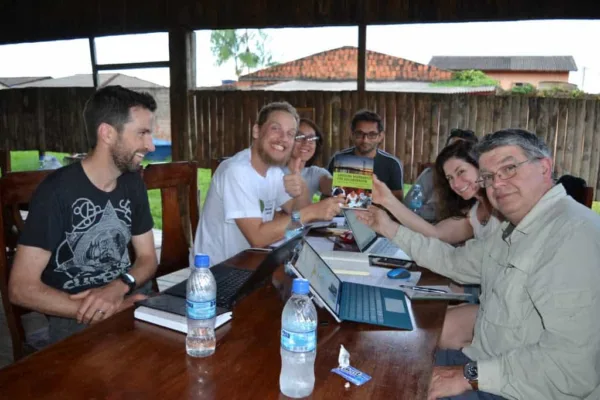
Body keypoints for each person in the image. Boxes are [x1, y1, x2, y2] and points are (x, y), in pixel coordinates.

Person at [357, 128, 600, 400]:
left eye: (509, 169)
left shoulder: (572, 235)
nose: (497, 184)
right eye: (488, 177)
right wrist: (387, 226)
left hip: (520, 388)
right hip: (485, 364)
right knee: (382, 363)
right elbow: (453, 260)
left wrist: (467, 376)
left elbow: (573, 367)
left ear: (544, 167)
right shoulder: (512, 228)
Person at [8, 85, 159, 344]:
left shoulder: (132, 183)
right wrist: (102, 307)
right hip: (77, 318)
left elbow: (147, 258)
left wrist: (119, 286)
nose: (152, 146)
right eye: (142, 133)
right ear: (107, 133)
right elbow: (20, 288)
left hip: (131, 298)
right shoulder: (55, 193)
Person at [372, 140, 500, 349]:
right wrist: (387, 202)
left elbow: (452, 259)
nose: (456, 184)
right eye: (450, 178)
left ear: (480, 166)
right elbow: (435, 233)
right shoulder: (476, 211)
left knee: (435, 328)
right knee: (430, 320)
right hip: (488, 295)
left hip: (505, 306)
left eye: (461, 172)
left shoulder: (503, 208)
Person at [194, 102, 341, 265]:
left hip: (253, 264)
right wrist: (313, 211)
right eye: (275, 128)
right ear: (256, 131)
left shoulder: (273, 172)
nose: (283, 138)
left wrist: (301, 187)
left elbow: (297, 213)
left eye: (291, 134)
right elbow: (258, 238)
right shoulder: (236, 170)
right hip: (218, 275)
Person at [327, 109, 404, 200]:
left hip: (378, 213)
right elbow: (326, 194)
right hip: (342, 212)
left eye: (372, 135)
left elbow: (398, 199)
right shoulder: (338, 159)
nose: (365, 140)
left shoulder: (392, 163)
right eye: (359, 134)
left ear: (380, 136)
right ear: (352, 135)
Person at [403, 128, 478, 222]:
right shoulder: (430, 175)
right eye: (450, 148)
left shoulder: (484, 199)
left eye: (460, 150)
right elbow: (409, 207)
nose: (456, 184)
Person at [282, 118, 332, 199]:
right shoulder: (273, 172)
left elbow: (329, 185)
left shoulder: (316, 173)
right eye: (299, 137)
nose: (306, 142)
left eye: (312, 138)